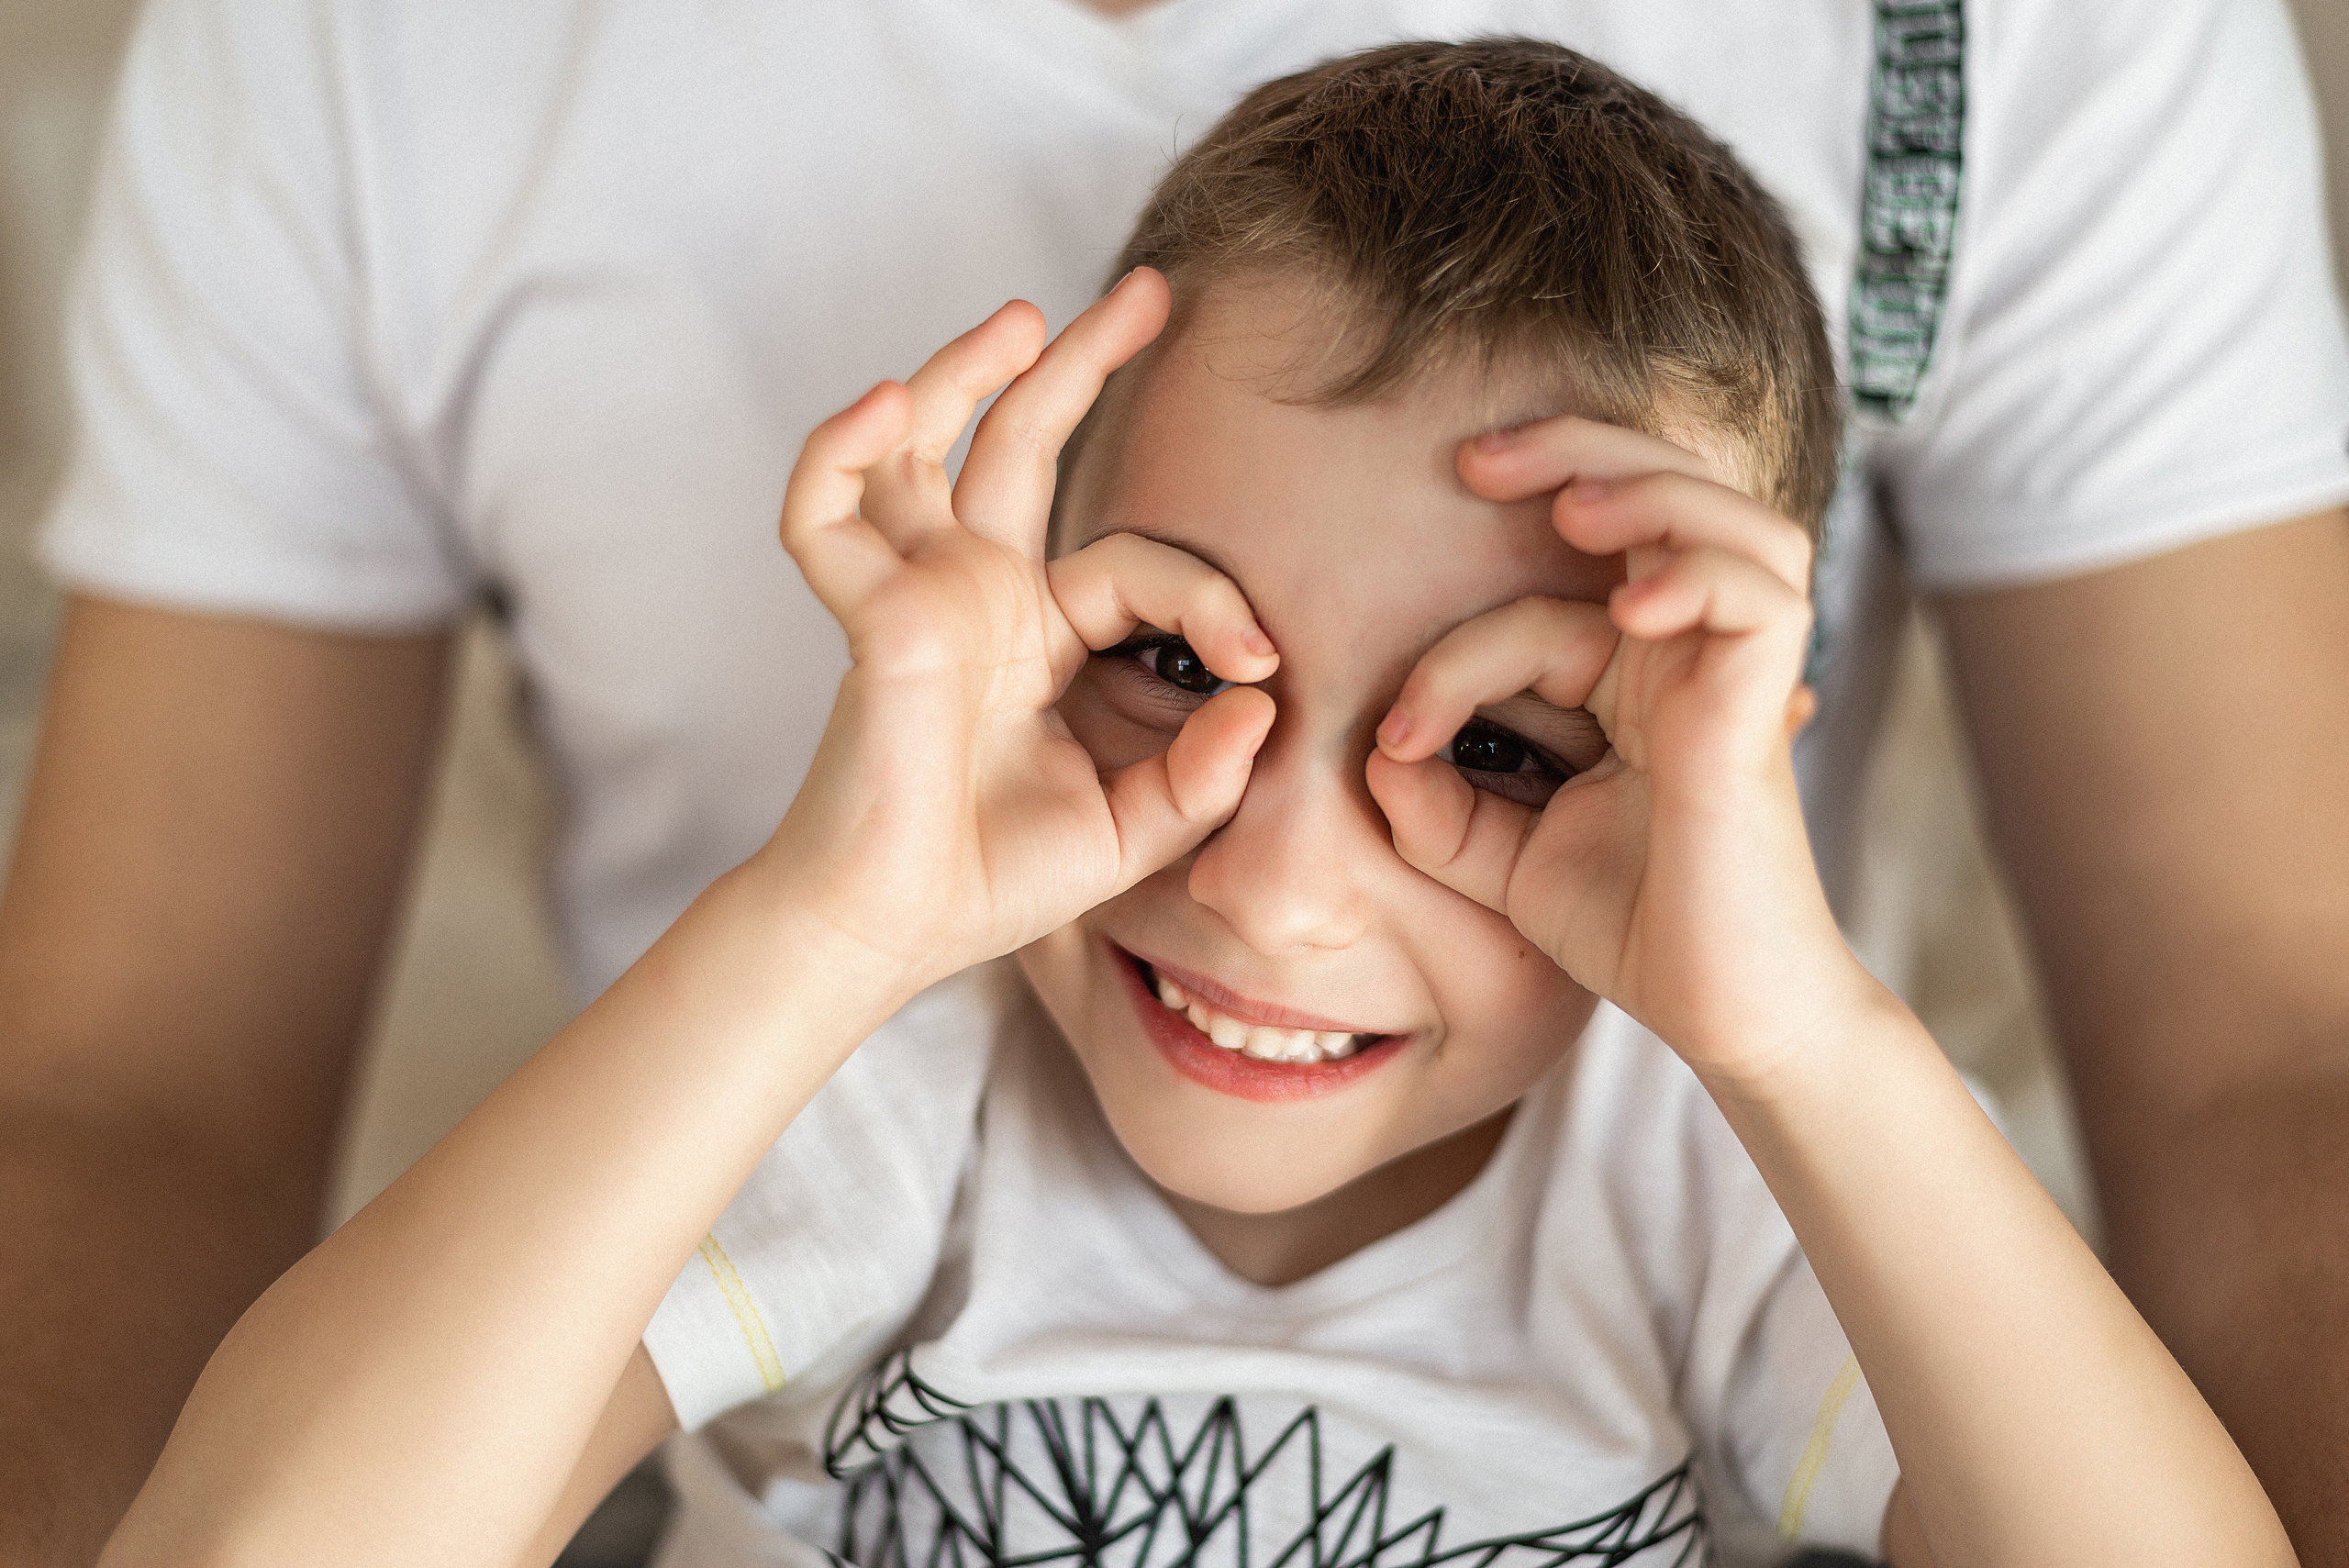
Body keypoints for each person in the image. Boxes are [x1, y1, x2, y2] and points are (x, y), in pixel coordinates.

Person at [3, 1, 2345, 1564]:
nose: (1277, 879)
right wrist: (823, 916)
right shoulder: (878, 1120)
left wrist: (1799, 1037)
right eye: (1161, 660)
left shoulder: (1701, 1179)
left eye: (1503, 744)